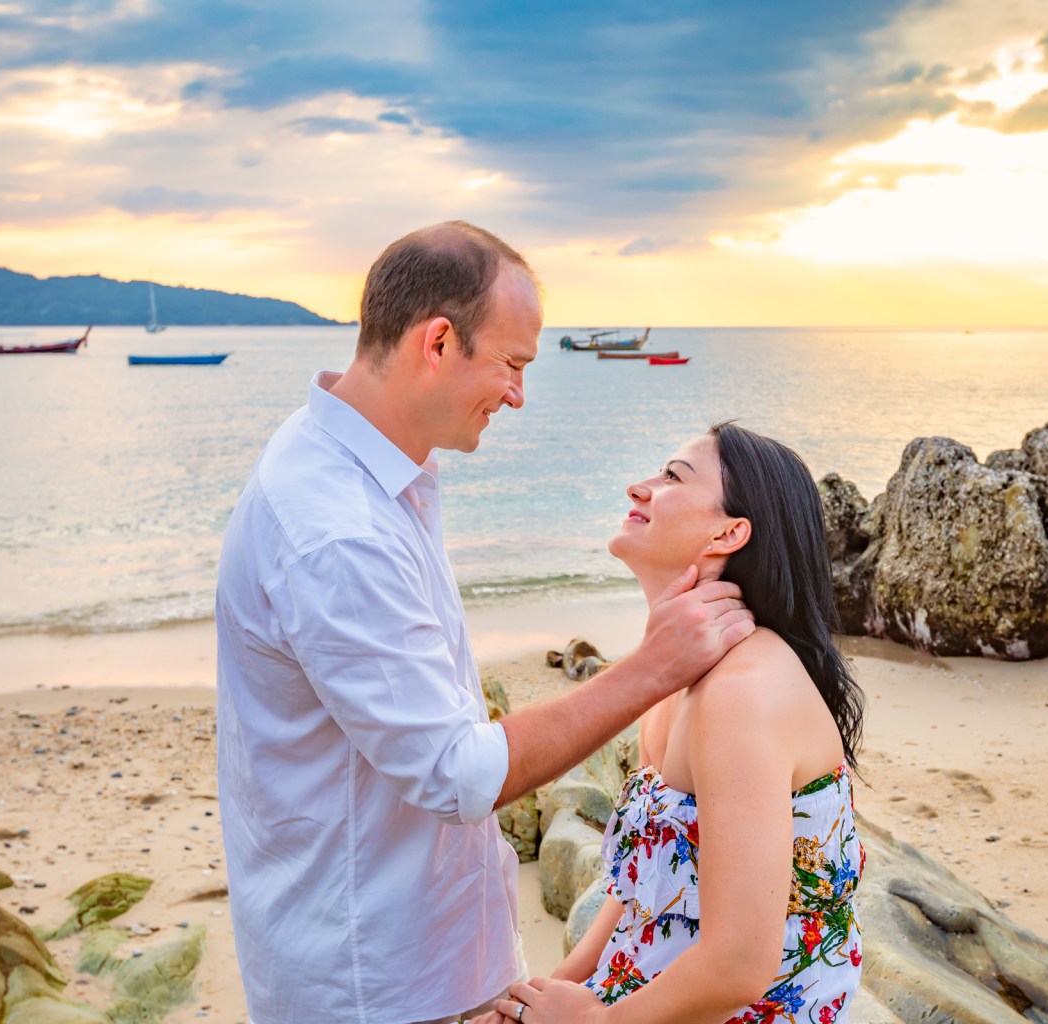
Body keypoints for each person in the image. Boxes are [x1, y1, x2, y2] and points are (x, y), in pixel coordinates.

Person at [215, 223, 754, 1024]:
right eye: (512, 364)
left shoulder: (376, 464)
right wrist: (653, 667)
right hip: (376, 983)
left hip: (425, 961)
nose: (518, 394)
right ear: (438, 342)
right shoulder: (336, 528)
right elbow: (456, 775)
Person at [484, 422, 866, 1024]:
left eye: (670, 477)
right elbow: (637, 883)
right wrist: (542, 995)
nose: (637, 488)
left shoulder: (743, 693)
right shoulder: (675, 674)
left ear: (729, 532)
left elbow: (740, 965)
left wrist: (593, 1020)